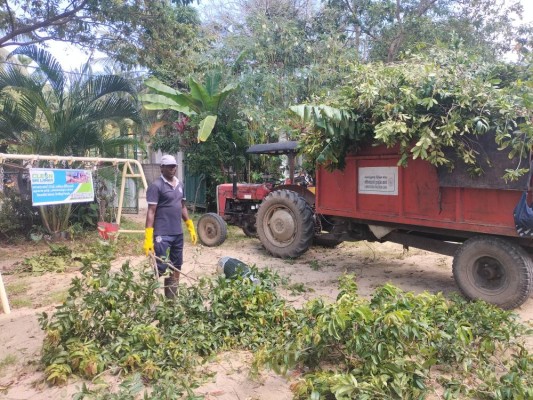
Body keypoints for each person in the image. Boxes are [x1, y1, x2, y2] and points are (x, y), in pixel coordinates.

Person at [143, 155, 197, 298]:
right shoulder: (156, 186)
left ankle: (171, 300)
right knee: (160, 267)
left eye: (174, 166)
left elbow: (182, 206)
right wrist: (148, 237)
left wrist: (189, 226)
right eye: (169, 166)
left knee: (176, 266)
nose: (173, 169)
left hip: (177, 233)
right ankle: (150, 296)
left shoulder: (180, 185)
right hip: (162, 233)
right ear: (162, 168)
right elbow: (151, 212)